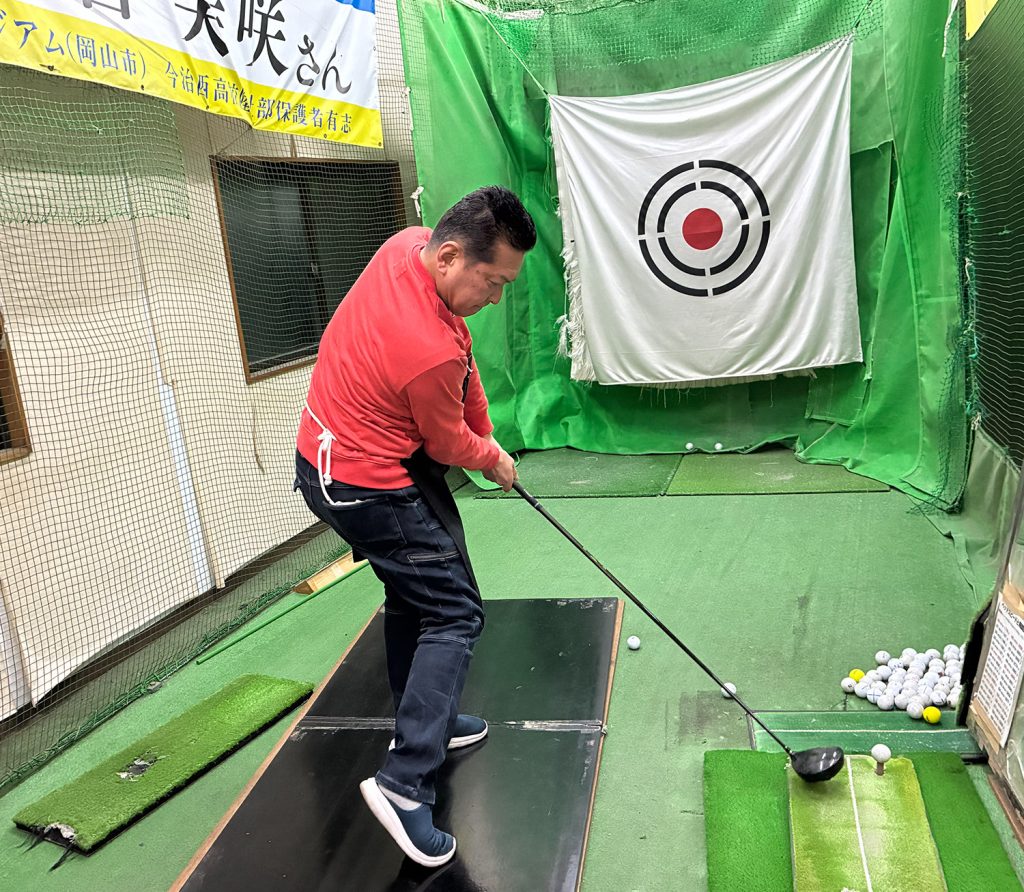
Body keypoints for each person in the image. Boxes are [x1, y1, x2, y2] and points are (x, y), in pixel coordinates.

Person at [294, 185, 537, 867]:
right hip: (360, 484)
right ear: (452, 256)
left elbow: (463, 362)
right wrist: (493, 458)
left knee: (416, 595)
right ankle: (404, 784)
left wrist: (488, 431)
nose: (496, 297)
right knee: (455, 611)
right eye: (493, 282)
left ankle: (426, 718)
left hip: (334, 460)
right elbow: (446, 443)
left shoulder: (407, 245)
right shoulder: (424, 346)